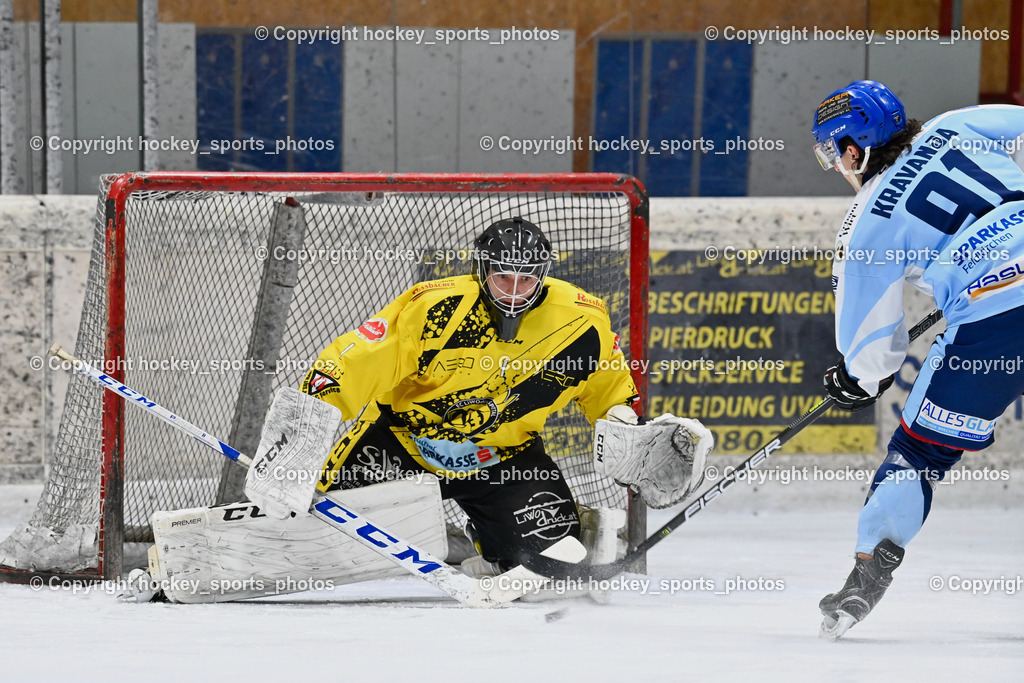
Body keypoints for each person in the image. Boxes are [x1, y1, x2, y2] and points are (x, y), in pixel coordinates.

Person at [301, 216, 710, 574]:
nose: (515, 291)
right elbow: (356, 362)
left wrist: (627, 427)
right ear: (483, 270)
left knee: (553, 558)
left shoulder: (582, 320)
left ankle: (490, 544)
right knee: (318, 532)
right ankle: (441, 538)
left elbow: (609, 388)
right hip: (403, 444)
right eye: (503, 278)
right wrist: (306, 425)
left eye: (527, 278)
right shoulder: (436, 305)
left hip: (504, 457)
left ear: (543, 274)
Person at [811, 80, 1024, 638]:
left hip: (998, 321)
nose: (838, 167)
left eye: (834, 154)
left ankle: (866, 578)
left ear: (854, 150)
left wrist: (855, 380)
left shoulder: (866, 225)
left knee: (919, 452)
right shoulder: (954, 123)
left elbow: (873, 353)